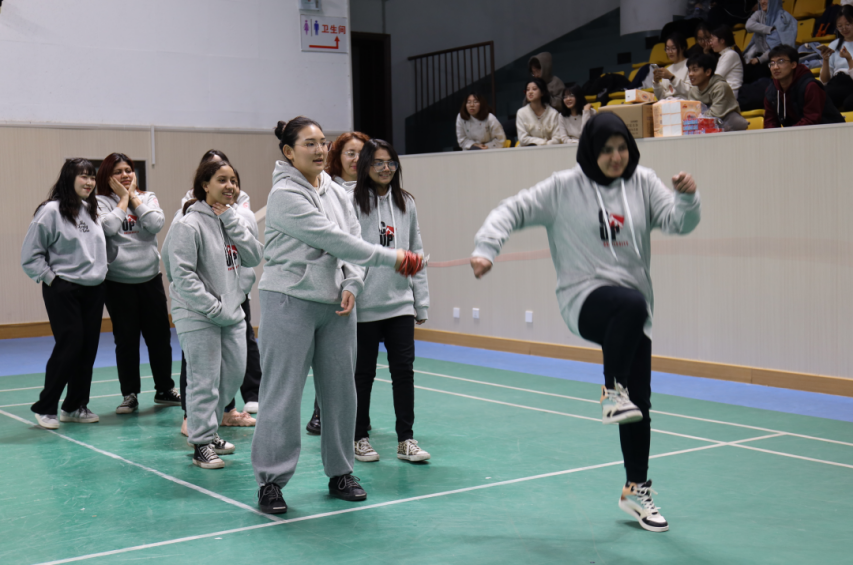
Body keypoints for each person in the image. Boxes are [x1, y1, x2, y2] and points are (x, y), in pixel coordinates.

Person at [470, 113, 701, 533]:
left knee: (639, 408)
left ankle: (636, 490)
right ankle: (611, 391)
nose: (616, 157)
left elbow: (679, 223)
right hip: (584, 299)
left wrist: (687, 198)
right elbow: (511, 209)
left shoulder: (644, 183)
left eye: (622, 148)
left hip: (633, 314)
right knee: (630, 308)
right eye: (606, 150)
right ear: (591, 152)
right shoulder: (563, 188)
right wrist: (487, 248)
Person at [251, 117, 422, 514]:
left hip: (337, 307)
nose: (319, 149)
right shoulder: (284, 195)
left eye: (322, 142)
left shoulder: (336, 191)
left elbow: (353, 242)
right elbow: (334, 239)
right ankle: (270, 482)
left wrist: (353, 283)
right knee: (282, 394)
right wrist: (394, 257)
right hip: (289, 301)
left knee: (342, 393)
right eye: (309, 143)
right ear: (288, 152)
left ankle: (341, 472)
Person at [163, 160, 263, 469]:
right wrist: (212, 306)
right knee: (203, 380)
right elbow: (181, 275)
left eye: (233, 180)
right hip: (198, 314)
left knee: (231, 376)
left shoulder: (235, 220)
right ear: (205, 185)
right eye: (222, 180)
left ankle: (210, 429)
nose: (230, 186)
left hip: (231, 311)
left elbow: (254, 257)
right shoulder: (188, 224)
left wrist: (231, 220)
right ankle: (201, 442)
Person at [350, 139, 431, 464]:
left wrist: (420, 302)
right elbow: (348, 252)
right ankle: (359, 437)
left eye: (391, 162)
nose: (386, 168)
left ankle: (405, 440)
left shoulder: (406, 202)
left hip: (400, 304)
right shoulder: (352, 202)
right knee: (363, 375)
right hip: (364, 306)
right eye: (378, 162)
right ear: (366, 166)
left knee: (403, 373)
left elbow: (416, 252)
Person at [21, 159, 107, 430]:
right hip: (63, 288)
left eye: (92, 177)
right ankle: (46, 406)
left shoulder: (91, 210)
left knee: (88, 348)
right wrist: (53, 280)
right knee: (70, 345)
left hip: (94, 290)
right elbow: (30, 256)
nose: (89, 182)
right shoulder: (50, 211)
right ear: (69, 178)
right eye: (83, 176)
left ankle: (74, 406)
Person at [95, 153, 179, 415]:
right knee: (126, 340)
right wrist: (122, 199)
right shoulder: (99, 202)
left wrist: (133, 198)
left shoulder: (148, 197)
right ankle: (129, 394)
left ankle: (164, 389)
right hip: (118, 282)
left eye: (128, 170)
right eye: (118, 171)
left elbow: (155, 224)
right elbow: (108, 228)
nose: (125, 175)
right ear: (107, 176)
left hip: (150, 279)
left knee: (160, 338)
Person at [764, 44, 846, 128]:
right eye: (772, 63)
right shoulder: (771, 91)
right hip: (797, 132)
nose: (775, 67)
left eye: (781, 61)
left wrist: (788, 133)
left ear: (793, 64)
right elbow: (770, 120)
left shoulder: (810, 86)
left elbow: (811, 119)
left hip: (831, 130)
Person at [687, 53, 749, 131]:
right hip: (705, 127)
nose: (690, 74)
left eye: (695, 70)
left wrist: (696, 119)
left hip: (729, 125)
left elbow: (715, 115)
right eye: (689, 70)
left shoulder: (720, 87)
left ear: (708, 72)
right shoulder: (693, 91)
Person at [743, 0, 796, 84]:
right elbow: (748, 26)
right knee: (743, 73)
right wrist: (769, 29)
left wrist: (760, 59)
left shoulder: (783, 18)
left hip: (775, 57)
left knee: (759, 74)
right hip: (758, 56)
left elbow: (779, 48)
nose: (762, 2)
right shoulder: (759, 14)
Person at [819, 5, 853, 112]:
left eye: (848, 24)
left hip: (851, 82)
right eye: (840, 26)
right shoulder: (834, 45)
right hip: (837, 82)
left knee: (849, 103)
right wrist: (825, 60)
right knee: (819, 98)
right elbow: (825, 81)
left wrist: (849, 60)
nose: (844, 29)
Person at [516, 77, 560, 146]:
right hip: (528, 151)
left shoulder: (553, 114)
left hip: (550, 150)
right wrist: (543, 142)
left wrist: (546, 145)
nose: (530, 92)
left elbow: (557, 138)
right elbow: (523, 139)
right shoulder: (521, 113)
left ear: (542, 92)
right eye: (528, 90)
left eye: (534, 89)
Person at [709, 25, 744, 97]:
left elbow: (717, 77)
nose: (710, 43)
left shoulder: (730, 54)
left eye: (712, 39)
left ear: (722, 40)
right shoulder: (725, 54)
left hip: (730, 95)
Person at [653, 33, 691, 100]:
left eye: (673, 48)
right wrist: (656, 82)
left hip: (684, 103)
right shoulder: (667, 69)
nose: (670, 52)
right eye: (667, 49)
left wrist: (671, 78)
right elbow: (661, 97)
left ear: (683, 48)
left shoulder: (691, 65)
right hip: (667, 103)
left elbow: (690, 92)